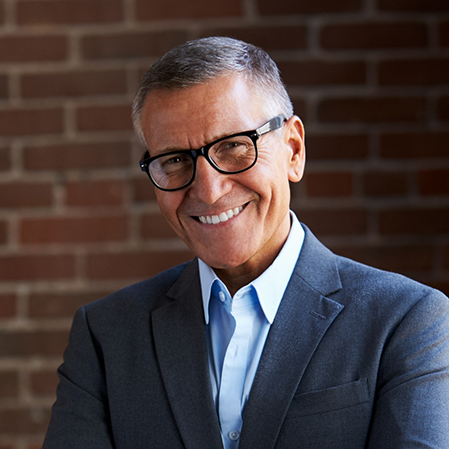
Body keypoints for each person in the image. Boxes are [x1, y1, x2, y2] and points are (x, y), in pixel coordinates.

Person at [43, 37, 449, 449]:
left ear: (293, 150)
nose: (210, 190)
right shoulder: (105, 336)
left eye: (234, 146)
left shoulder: (409, 322)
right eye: (175, 160)